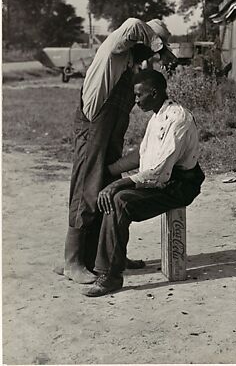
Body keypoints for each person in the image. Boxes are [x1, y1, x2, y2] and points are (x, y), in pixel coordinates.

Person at [57, 18, 177, 284]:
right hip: (94, 128)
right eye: (151, 48)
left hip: (110, 132)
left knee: (107, 187)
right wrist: (161, 49)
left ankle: (106, 257)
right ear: (145, 41)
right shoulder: (116, 47)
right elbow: (135, 23)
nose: (150, 56)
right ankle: (73, 260)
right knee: (87, 188)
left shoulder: (128, 63)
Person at [82, 69, 205, 297]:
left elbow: (158, 174)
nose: (136, 100)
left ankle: (111, 275)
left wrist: (117, 185)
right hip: (165, 180)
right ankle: (113, 258)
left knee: (119, 200)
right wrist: (107, 172)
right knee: (109, 192)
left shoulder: (177, 120)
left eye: (139, 95)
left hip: (181, 186)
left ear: (154, 92)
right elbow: (142, 155)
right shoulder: (158, 115)